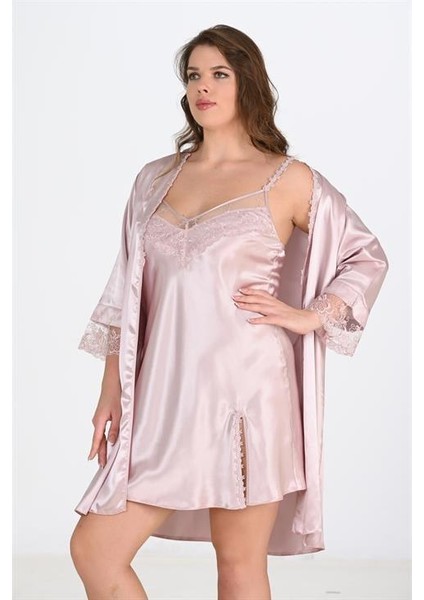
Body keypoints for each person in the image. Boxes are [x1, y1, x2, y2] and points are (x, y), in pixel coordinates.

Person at [69, 24, 389, 600]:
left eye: (220, 74)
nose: (204, 87)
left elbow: (365, 255)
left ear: (248, 83)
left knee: (239, 566)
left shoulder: (286, 179)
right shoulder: (153, 180)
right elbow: (124, 293)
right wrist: (110, 391)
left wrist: (310, 315)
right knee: (95, 550)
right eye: (194, 75)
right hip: (163, 400)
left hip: (249, 399)